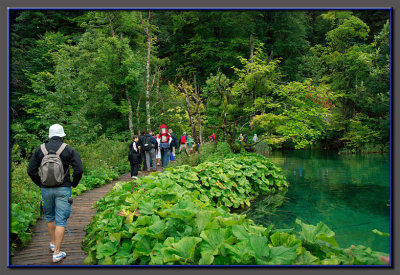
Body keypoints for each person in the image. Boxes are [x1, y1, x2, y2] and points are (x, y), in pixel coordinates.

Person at [27, 124, 83, 263]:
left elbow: (30, 170)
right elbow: (79, 169)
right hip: (63, 188)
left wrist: (40, 183)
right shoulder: (68, 149)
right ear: (62, 135)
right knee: (61, 219)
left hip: (46, 188)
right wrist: (73, 183)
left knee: (50, 216)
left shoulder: (40, 150)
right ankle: (57, 253)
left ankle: (53, 243)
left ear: (50, 135)